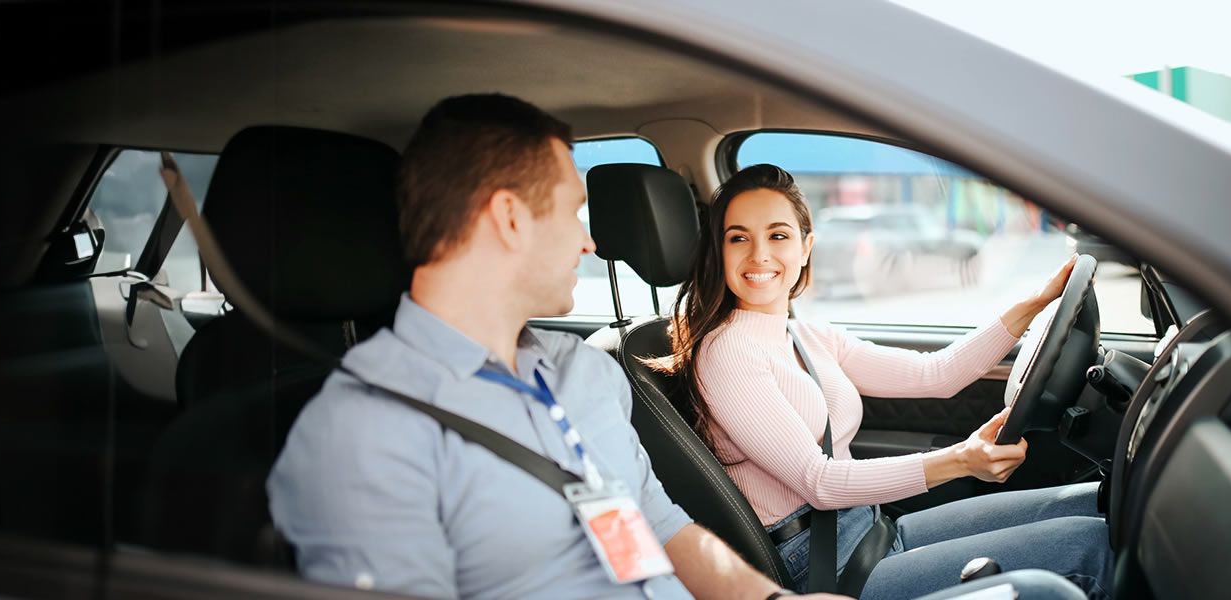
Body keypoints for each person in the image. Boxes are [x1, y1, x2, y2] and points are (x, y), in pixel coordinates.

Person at [265, 95, 847, 600]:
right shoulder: (363, 432)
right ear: (511, 219)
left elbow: (663, 527)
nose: (589, 241)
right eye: (573, 211)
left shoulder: (583, 373)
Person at [645, 164, 1113, 599]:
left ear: (806, 247)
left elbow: (937, 373)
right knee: (1088, 550)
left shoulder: (802, 333)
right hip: (820, 563)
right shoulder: (727, 351)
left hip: (867, 530)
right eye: (738, 238)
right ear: (719, 251)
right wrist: (959, 460)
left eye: (778, 235)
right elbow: (820, 482)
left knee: (1094, 506)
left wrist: (1035, 301)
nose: (760, 254)